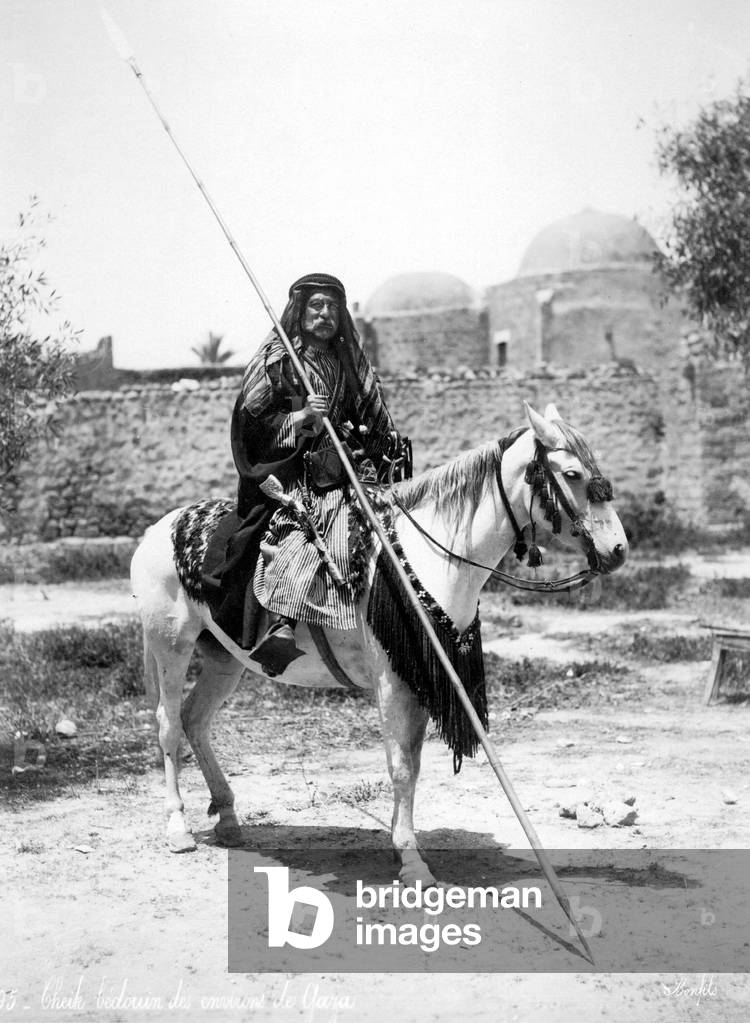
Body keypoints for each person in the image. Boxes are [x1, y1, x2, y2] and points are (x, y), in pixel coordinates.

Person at [204, 272, 407, 674]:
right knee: (302, 526)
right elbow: (251, 424)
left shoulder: (351, 362)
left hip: (345, 465)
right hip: (292, 469)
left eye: (332, 307)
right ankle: (283, 622)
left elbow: (375, 416)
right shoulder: (277, 362)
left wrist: (388, 442)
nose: (325, 314)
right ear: (300, 311)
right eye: (316, 306)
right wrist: (301, 417)